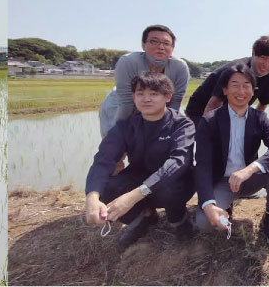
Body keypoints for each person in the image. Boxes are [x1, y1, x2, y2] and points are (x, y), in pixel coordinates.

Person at [84, 71, 196, 250]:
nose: (146, 99)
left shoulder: (182, 124)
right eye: (140, 93)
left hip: (175, 182)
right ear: (134, 97)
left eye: (153, 94)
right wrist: (92, 196)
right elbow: (103, 159)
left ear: (167, 97)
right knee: (105, 186)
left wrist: (133, 196)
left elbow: (178, 162)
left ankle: (179, 220)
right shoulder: (125, 125)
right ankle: (142, 219)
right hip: (138, 176)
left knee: (169, 186)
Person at [191, 63, 269, 249]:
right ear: (225, 90)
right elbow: (202, 165)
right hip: (222, 181)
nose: (241, 91)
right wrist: (208, 204)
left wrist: (251, 169)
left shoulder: (259, 118)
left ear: (253, 91)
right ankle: (224, 205)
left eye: (246, 85)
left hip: (249, 178)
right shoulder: (209, 121)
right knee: (204, 222)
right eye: (234, 85)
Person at [98, 25, 190, 138]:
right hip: (120, 103)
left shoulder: (180, 67)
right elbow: (126, 103)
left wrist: (166, 131)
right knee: (114, 143)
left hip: (155, 102)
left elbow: (175, 102)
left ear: (172, 48)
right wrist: (118, 136)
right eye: (154, 41)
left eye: (166, 43)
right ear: (143, 45)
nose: (161, 47)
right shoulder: (128, 62)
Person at [184, 35, 269, 122]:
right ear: (253, 53)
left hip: (228, 112)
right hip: (199, 110)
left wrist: (253, 123)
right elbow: (213, 104)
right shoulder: (236, 71)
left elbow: (263, 104)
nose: (266, 64)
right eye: (263, 58)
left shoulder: (268, 78)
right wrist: (211, 132)